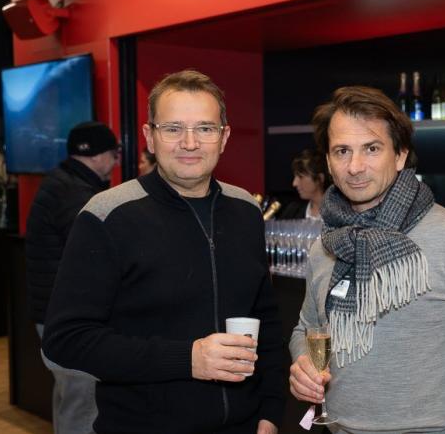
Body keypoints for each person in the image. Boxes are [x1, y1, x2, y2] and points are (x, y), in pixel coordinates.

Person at [42, 70, 285, 434]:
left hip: (245, 424)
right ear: (149, 137)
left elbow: (266, 319)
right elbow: (66, 339)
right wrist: (188, 359)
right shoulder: (107, 215)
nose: (190, 143)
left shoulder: (246, 211)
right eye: (173, 128)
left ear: (224, 137)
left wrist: (270, 410)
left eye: (205, 128)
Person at [288, 86, 445, 434]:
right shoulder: (326, 245)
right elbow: (306, 328)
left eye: (372, 148)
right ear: (329, 164)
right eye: (342, 151)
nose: (355, 166)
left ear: (399, 156)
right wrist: (302, 363)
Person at [25, 121, 120, 434]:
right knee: (83, 403)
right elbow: (94, 259)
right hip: (69, 316)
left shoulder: (60, 182)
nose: (116, 161)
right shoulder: (77, 194)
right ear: (96, 156)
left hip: (51, 312)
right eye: (114, 153)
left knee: (70, 399)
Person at [279, 149, 329, 220]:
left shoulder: (340, 215)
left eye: (300, 177)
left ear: (320, 178)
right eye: (295, 176)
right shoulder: (292, 212)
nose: (294, 183)